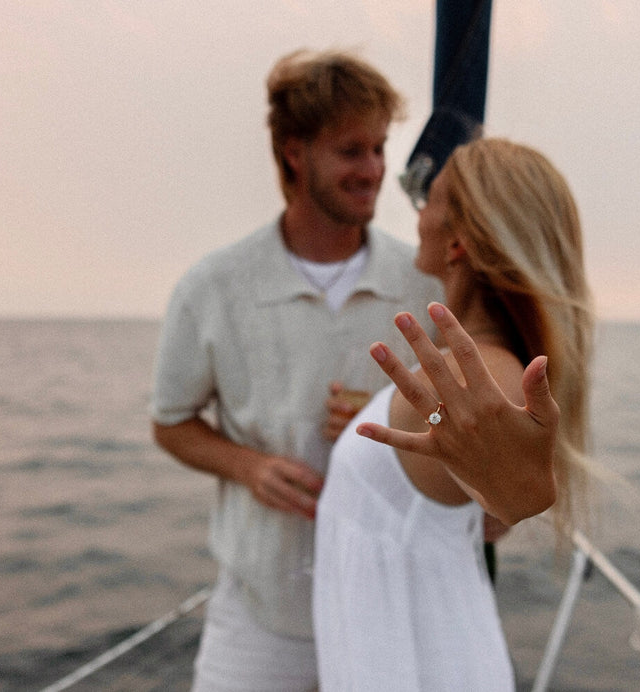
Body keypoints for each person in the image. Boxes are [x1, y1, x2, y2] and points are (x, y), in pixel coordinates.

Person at [150, 48, 442, 692]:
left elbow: (459, 424)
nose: (373, 171)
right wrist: (248, 466)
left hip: (393, 603)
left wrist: (395, 416)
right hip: (260, 613)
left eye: (378, 148)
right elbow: (171, 423)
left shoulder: (426, 283)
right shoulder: (213, 286)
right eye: (350, 151)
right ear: (293, 152)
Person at [313, 137, 595, 690]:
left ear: (460, 240)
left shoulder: (478, 374)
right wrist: (376, 446)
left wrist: (518, 490)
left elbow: (521, 493)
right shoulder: (468, 372)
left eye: (431, 199)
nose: (419, 215)